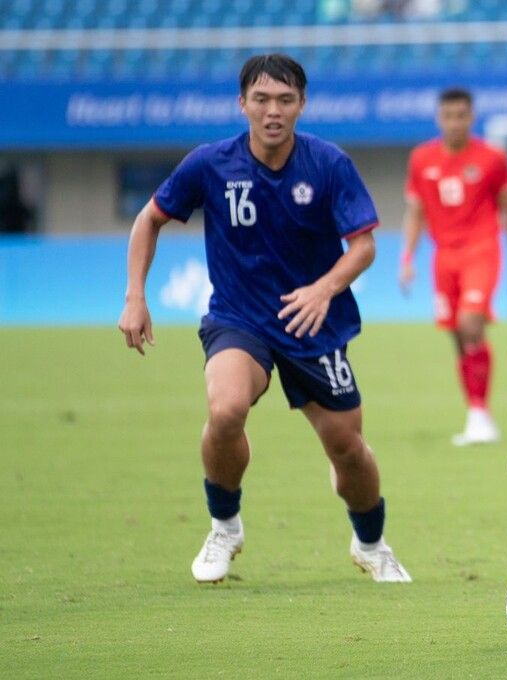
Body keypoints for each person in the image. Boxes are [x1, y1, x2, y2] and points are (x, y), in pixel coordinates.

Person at [117, 54, 411, 584]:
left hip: (313, 325)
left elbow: (363, 246)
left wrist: (324, 289)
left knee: (348, 448)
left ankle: (371, 542)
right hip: (239, 318)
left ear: (301, 105)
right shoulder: (210, 163)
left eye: (284, 100)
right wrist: (135, 296)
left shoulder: (328, 164)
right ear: (242, 104)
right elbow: (149, 219)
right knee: (225, 409)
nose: (272, 110)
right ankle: (224, 526)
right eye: (261, 99)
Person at [400, 87, 507, 446]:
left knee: (472, 323)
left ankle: (479, 415)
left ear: (471, 117)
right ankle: (477, 412)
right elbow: (415, 213)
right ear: (439, 118)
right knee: (458, 335)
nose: (454, 122)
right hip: (444, 257)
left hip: (482, 250)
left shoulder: (491, 157)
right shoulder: (421, 159)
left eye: (461, 115)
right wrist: (406, 259)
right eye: (448, 116)